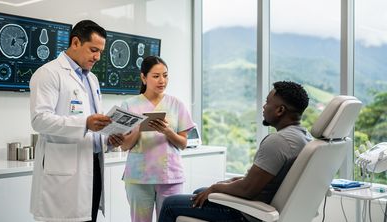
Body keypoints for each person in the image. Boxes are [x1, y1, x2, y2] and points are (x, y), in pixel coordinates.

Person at [158, 81, 313, 222]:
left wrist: (215, 187)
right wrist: (230, 182)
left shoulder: (278, 142)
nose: (264, 107)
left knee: (170, 204)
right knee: (200, 192)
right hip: (263, 204)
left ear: (280, 110)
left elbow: (248, 190)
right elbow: (264, 179)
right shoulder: (303, 138)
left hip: (248, 213)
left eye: (267, 102)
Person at [29, 20, 123, 222]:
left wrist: (107, 140)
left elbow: (94, 124)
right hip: (63, 174)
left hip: (93, 168)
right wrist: (84, 124)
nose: (97, 57)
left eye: (100, 52)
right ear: (75, 42)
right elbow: (39, 120)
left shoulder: (92, 79)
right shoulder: (48, 73)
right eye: (93, 50)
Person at [118, 56, 195, 222]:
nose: (162, 81)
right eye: (156, 76)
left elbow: (183, 144)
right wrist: (138, 128)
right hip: (139, 177)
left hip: (170, 176)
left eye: (165, 75)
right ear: (143, 77)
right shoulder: (129, 105)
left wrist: (168, 132)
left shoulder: (177, 104)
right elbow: (124, 146)